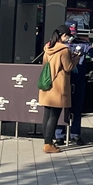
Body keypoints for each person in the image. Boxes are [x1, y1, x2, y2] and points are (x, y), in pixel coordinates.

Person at [39, 25, 77, 154]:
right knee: (54, 116)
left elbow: (45, 65)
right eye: (67, 36)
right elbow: (68, 67)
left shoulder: (48, 48)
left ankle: (46, 141)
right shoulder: (64, 50)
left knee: (47, 115)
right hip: (58, 86)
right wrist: (76, 57)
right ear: (63, 36)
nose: (68, 38)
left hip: (47, 85)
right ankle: (48, 144)